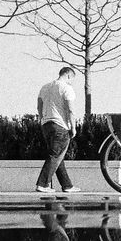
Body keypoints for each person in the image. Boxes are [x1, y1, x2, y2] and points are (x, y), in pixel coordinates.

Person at [35, 66, 80, 194]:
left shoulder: (45, 87)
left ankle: (67, 185)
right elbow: (70, 110)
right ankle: (42, 184)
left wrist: (42, 119)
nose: (71, 82)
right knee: (55, 155)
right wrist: (73, 127)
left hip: (46, 125)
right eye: (72, 79)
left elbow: (39, 106)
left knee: (58, 156)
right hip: (60, 125)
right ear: (69, 75)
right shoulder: (66, 88)